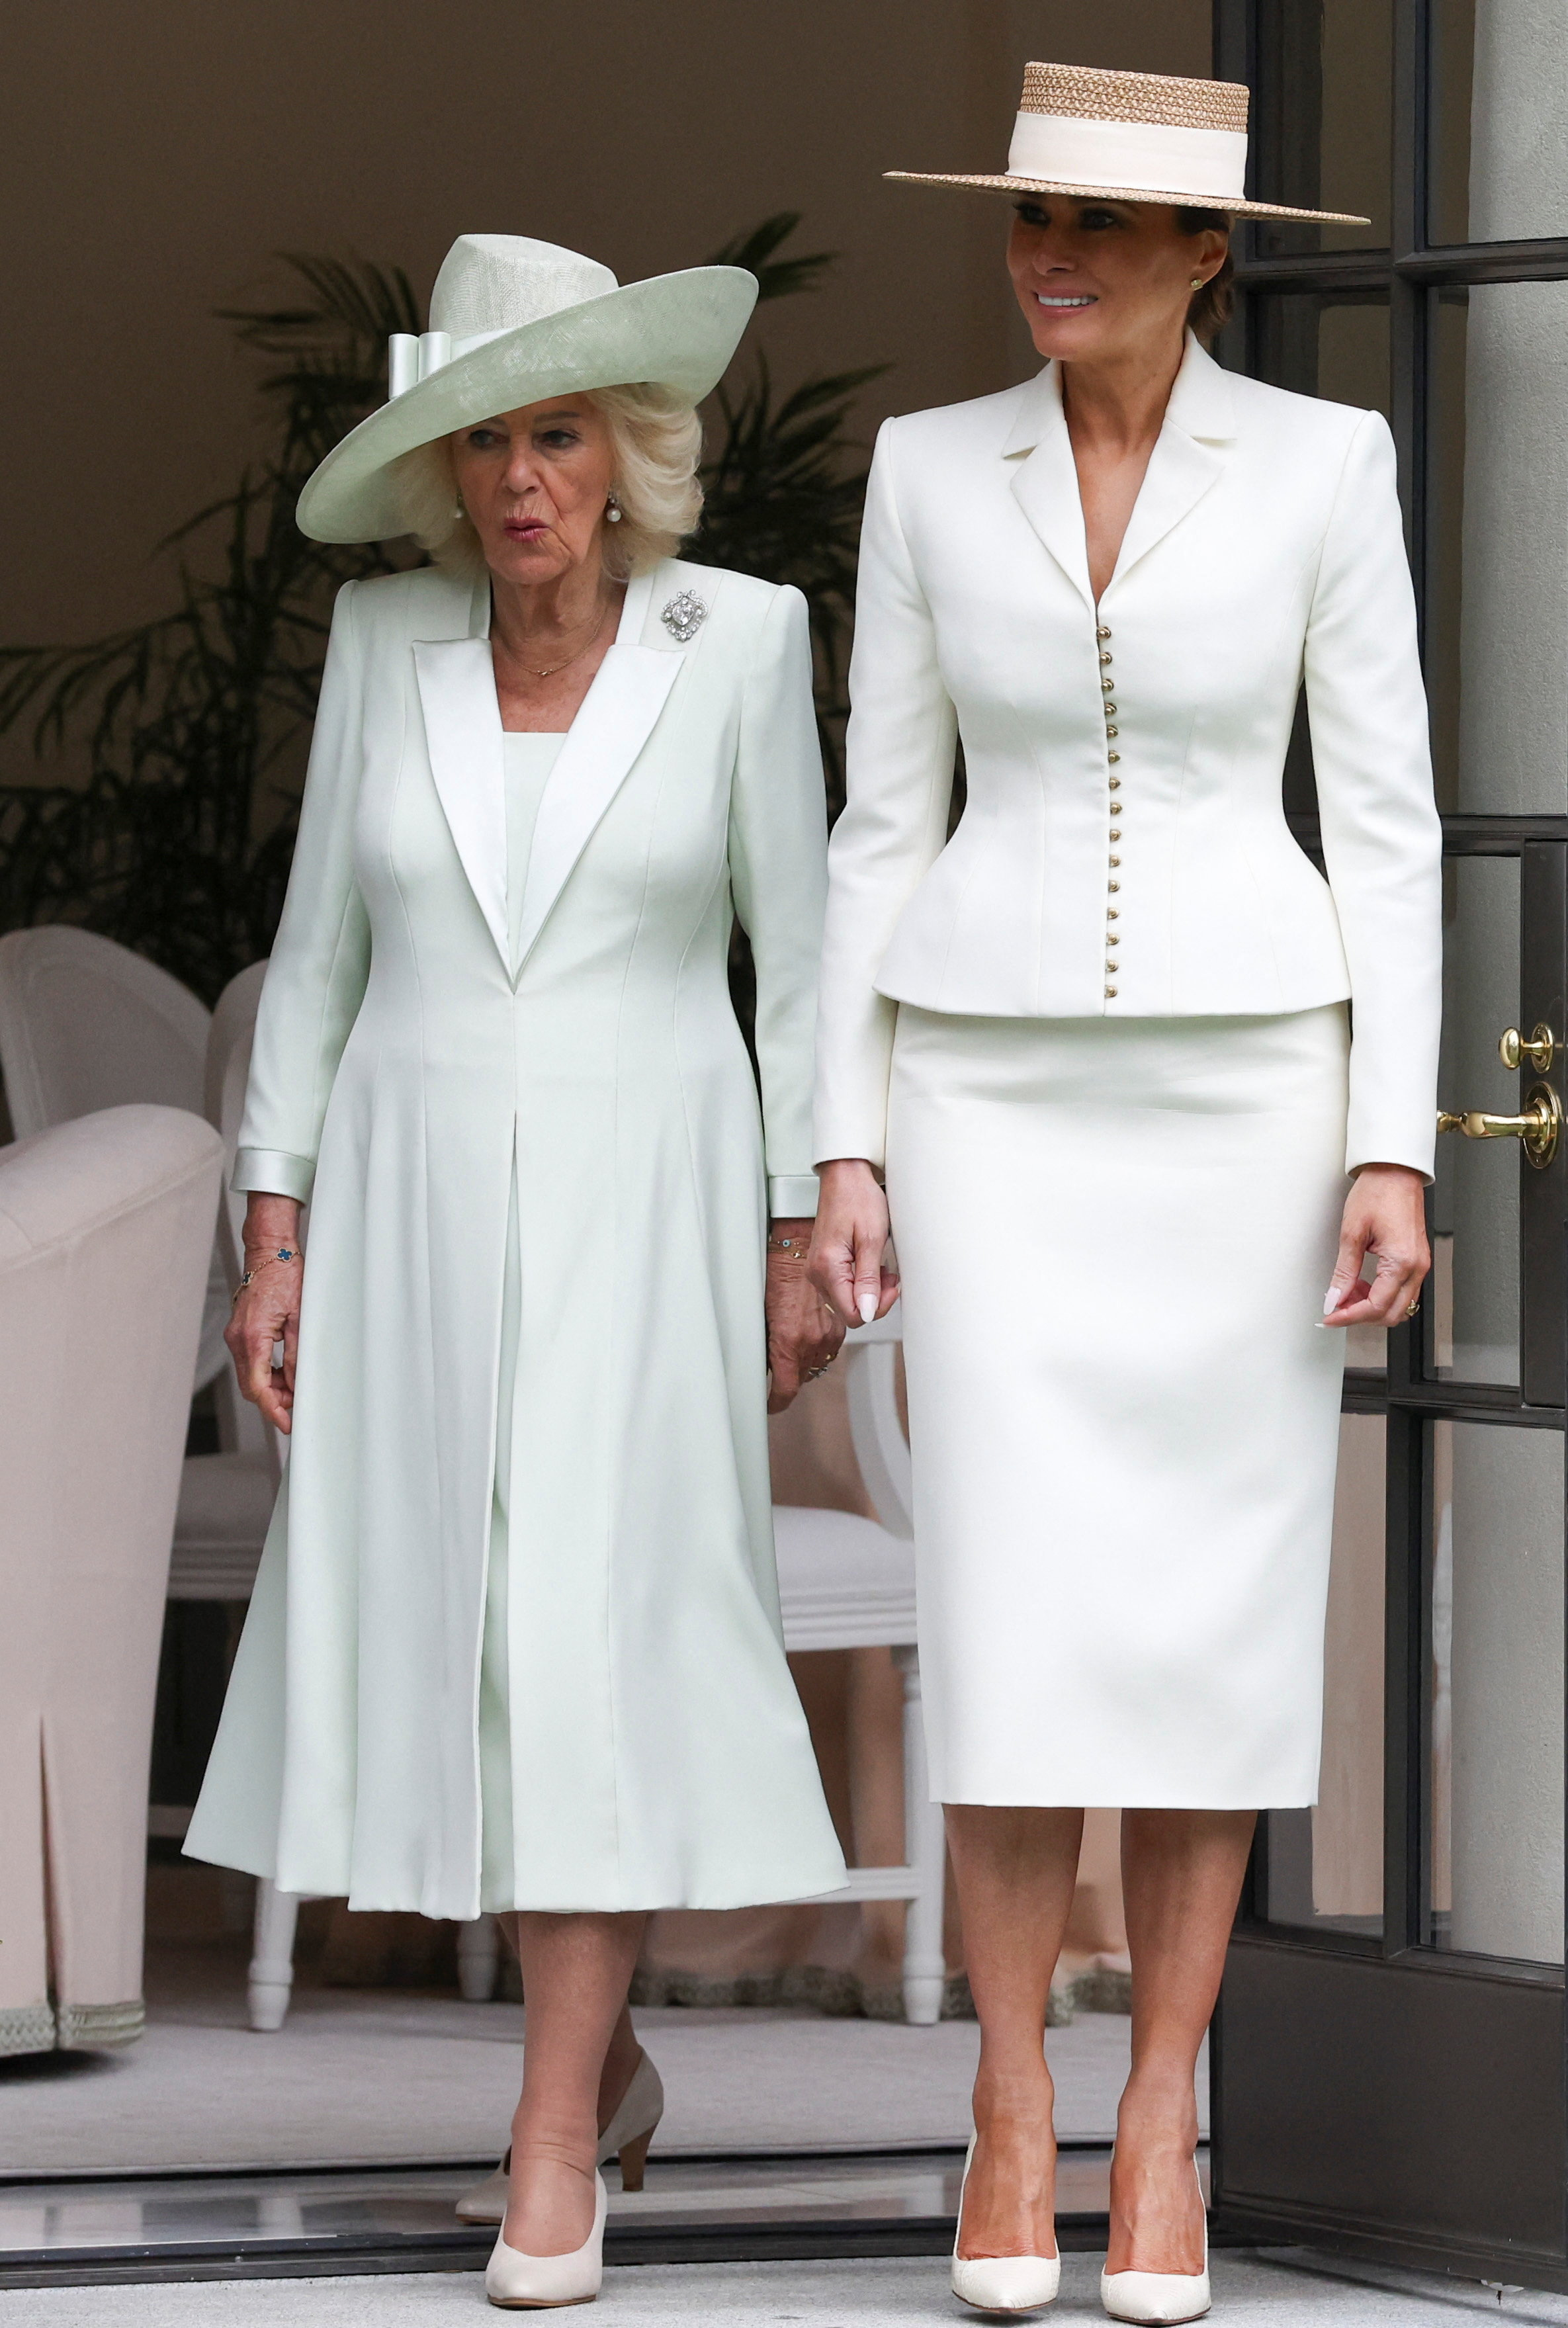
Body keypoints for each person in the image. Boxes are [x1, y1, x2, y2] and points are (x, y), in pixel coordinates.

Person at [810, 64, 1440, 2325]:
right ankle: (1005, 2100)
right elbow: (876, 819)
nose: (1047, 255)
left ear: (1204, 255)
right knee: (1015, 1626)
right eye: (1026, 221)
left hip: (1248, 1103)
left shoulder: (1325, 468)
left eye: (1097, 223)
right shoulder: (916, 470)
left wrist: (1391, 1134)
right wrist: (842, 1140)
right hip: (981, 1102)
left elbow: (1382, 818)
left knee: (1198, 1637)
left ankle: (1159, 2112)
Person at [185, 233, 847, 2311]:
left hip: (649, 1196)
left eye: (555, 432)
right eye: (482, 441)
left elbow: (800, 956)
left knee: (592, 1639)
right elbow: (321, 947)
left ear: (628, 450)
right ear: (440, 472)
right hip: (405, 1185)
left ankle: (547, 2134)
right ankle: (604, 2054)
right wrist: (271, 1222)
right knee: (457, 1648)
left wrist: (796, 1224)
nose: (519, 480)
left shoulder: (737, 644)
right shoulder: (384, 640)